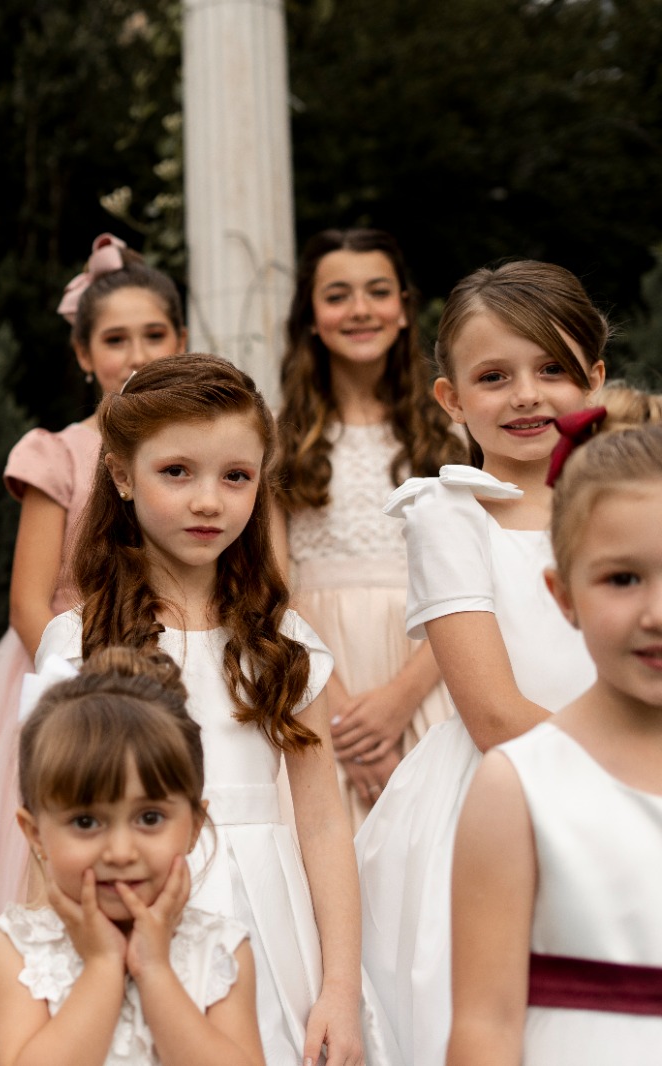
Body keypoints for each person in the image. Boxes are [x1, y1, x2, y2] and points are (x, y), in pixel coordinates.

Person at [35, 355, 365, 1066]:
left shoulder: (282, 644)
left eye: (235, 476)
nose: (209, 501)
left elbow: (323, 823)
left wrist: (341, 986)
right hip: (127, 910)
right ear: (122, 475)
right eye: (177, 472)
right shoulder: (80, 644)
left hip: (268, 927)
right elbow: (52, 821)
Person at [356, 261, 605, 1066]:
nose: (526, 395)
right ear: (452, 398)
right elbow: (493, 713)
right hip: (497, 802)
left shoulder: (630, 505)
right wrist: (633, 776)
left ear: (596, 380)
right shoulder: (450, 516)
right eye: (494, 377)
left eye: (553, 369)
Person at [0, 234, 187, 933]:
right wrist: (87, 682)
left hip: (175, 665)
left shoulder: (201, 453)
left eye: (155, 334)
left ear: (181, 341)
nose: (138, 353)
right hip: (64, 673)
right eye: (116, 339)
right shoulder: (59, 453)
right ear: (84, 355)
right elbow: (29, 600)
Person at [449, 390, 662, 1065]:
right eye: (622, 579)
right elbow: (484, 1024)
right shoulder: (519, 785)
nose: (656, 614)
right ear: (563, 595)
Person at [0, 645, 264, 1066]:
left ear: (194, 826)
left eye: (149, 817)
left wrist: (155, 970)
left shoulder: (220, 949)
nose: (119, 852)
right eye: (86, 822)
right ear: (35, 834)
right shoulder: (14, 948)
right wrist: (103, 965)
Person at [275, 230, 463, 826]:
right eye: (337, 296)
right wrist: (340, 717)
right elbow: (271, 586)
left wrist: (398, 702)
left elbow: (475, 576)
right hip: (317, 671)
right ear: (310, 317)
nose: (360, 309)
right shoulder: (277, 439)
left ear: (404, 309)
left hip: (432, 663)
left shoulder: (452, 433)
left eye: (378, 292)